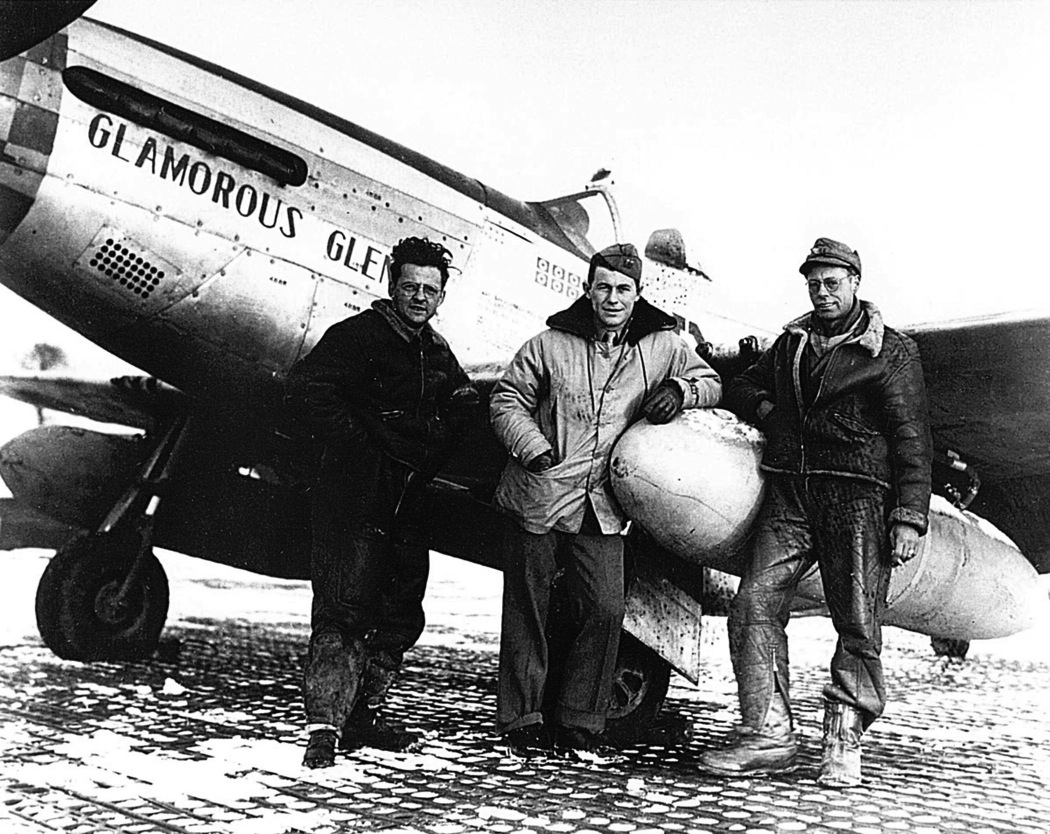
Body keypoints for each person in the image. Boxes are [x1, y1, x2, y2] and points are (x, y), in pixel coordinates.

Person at [701, 237, 932, 786]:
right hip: (793, 494)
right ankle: (767, 734)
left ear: (855, 282)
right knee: (754, 602)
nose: (822, 293)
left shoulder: (892, 352)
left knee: (856, 620)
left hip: (857, 495)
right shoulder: (793, 342)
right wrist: (769, 411)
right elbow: (746, 383)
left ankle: (844, 735)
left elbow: (912, 438)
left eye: (832, 283)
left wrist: (908, 516)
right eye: (813, 283)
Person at [489, 242, 722, 762]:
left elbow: (712, 379)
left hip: (602, 504)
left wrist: (682, 391)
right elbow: (507, 399)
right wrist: (533, 448)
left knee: (605, 607)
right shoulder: (548, 344)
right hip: (541, 491)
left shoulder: (662, 346)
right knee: (528, 605)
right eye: (603, 288)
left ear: (637, 295)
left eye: (623, 289)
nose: (612, 298)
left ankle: (578, 718)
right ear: (587, 290)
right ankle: (522, 718)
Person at [285, 236, 477, 769]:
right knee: (342, 613)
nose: (419, 297)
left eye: (430, 290)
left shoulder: (437, 352)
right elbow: (306, 390)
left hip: (408, 506)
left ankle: (362, 715)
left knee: (397, 617)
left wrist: (435, 436)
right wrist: (363, 447)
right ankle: (323, 730)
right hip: (354, 501)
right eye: (411, 286)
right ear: (392, 284)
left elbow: (463, 402)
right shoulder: (356, 337)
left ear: (442, 297)